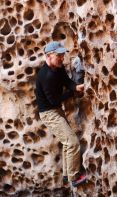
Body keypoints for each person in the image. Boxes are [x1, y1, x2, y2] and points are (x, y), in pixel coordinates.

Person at [35, 41, 86, 187]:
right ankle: (74, 178)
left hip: (56, 110)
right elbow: (53, 100)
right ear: (49, 56)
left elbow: (66, 81)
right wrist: (72, 92)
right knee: (72, 142)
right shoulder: (45, 76)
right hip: (49, 113)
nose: (62, 58)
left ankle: (66, 174)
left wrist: (76, 86)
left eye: (62, 55)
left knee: (66, 142)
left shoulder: (58, 67)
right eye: (59, 55)